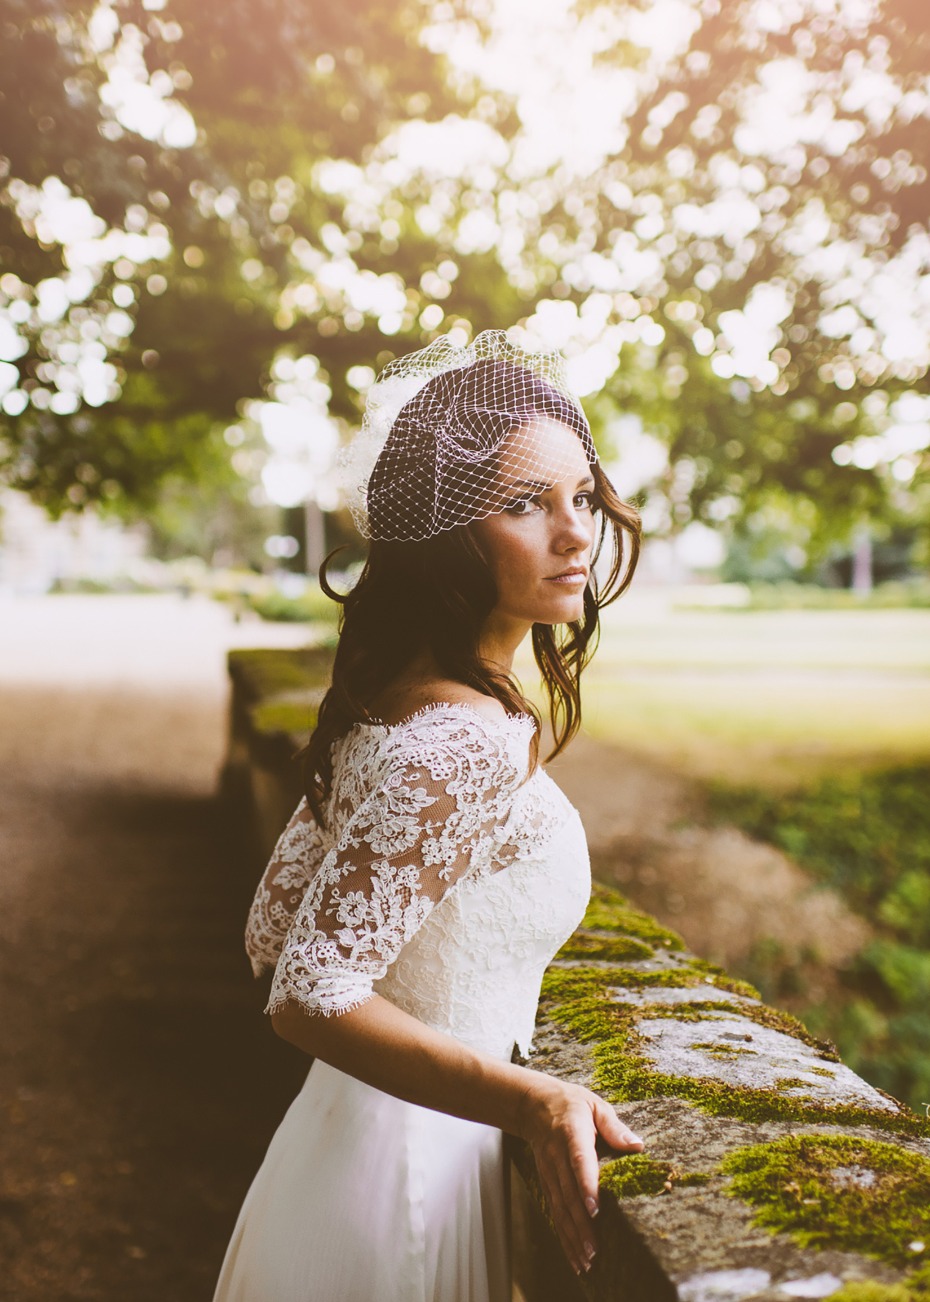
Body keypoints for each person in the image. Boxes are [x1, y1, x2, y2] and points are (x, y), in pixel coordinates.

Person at [213, 330, 645, 1302]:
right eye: (523, 504)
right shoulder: (457, 741)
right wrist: (534, 1099)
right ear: (446, 534)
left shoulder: (398, 704)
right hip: (415, 1186)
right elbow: (307, 987)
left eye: (581, 496)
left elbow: (268, 933)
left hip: (338, 1150)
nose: (576, 532)